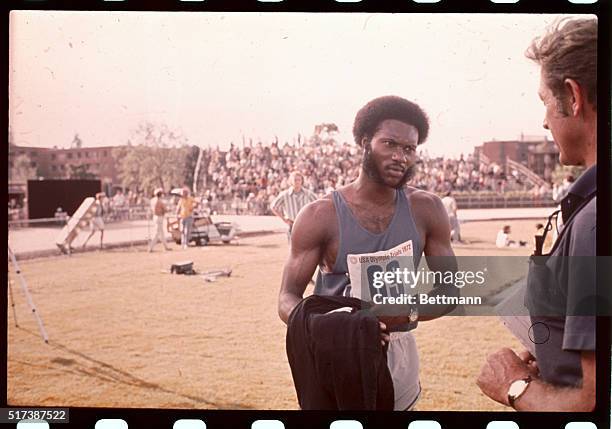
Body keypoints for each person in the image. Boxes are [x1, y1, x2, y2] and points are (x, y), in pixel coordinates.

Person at [278, 95, 459, 410]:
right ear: (364, 142)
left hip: (399, 348)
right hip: (336, 347)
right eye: (389, 144)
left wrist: (400, 313)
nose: (400, 157)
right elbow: (286, 299)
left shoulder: (428, 209)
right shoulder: (319, 215)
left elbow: (450, 291)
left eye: (409, 149)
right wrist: (333, 326)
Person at [477, 18, 597, 411]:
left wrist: (514, 386)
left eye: (544, 101)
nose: (544, 120)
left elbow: (594, 402)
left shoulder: (594, 222)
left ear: (573, 96)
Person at [270, 171, 318, 241]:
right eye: (295, 180)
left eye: (299, 180)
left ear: (302, 181)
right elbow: (273, 206)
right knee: (293, 250)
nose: (297, 182)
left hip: (306, 225)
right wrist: (284, 219)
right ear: (291, 181)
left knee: (307, 249)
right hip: (293, 225)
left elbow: (318, 204)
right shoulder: (285, 195)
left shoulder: (308, 194)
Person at [148, 188, 170, 252]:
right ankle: (150, 247)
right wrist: (168, 209)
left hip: (155, 217)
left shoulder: (152, 200)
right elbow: (165, 209)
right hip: (159, 217)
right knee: (157, 233)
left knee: (162, 233)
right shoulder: (159, 201)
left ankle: (166, 247)